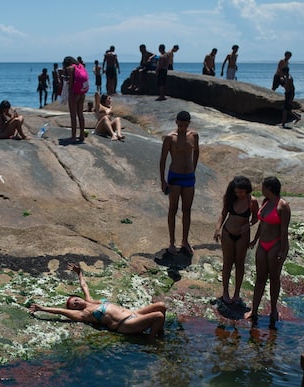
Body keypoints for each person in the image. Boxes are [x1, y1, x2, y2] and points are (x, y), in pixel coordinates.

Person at [28, 263, 167, 340]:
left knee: (161, 306)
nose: (76, 303)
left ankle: (160, 332)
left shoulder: (90, 300)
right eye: (74, 305)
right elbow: (60, 311)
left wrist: (79, 273)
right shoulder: (84, 314)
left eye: (76, 300)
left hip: (134, 314)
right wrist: (41, 308)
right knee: (158, 316)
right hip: (125, 324)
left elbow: (84, 286)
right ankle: (152, 340)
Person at [244, 176, 290, 327]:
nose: (261, 189)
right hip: (262, 244)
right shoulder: (265, 202)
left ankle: (274, 309)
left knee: (274, 278)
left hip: (275, 244)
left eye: (263, 187)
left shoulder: (282, 206)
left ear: (269, 188)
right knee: (260, 278)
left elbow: (284, 231)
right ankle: (254, 310)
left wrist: (283, 251)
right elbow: (262, 224)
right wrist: (255, 240)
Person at [159, 111, 199, 256]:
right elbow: (163, 159)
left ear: (189, 123)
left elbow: (197, 152)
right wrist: (163, 180)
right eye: (180, 125)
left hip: (188, 177)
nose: (182, 128)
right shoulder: (170, 138)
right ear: (176, 122)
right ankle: (171, 242)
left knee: (187, 210)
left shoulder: (193, 136)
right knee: (173, 209)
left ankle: (185, 241)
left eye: (185, 125)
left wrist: (193, 169)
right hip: (174, 176)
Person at [214, 177, 259, 304]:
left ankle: (237, 293)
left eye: (241, 192)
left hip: (243, 235)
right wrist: (218, 229)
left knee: (239, 263)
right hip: (228, 232)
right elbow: (223, 213)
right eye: (237, 192)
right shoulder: (229, 197)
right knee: (227, 263)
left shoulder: (252, 201)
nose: (239, 194)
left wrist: (248, 225)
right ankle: (225, 292)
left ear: (247, 190)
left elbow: (256, 218)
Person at [63, 56, 88, 143]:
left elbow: (70, 82)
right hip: (82, 92)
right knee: (80, 114)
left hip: (74, 93)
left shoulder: (70, 68)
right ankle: (81, 135)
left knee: (73, 115)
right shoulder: (81, 66)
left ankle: (73, 136)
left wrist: (69, 91)